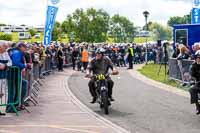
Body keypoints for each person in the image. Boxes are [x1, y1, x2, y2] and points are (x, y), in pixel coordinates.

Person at [189, 50, 200, 115]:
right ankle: (197, 106)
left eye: (199, 58)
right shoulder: (193, 65)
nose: (198, 59)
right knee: (192, 89)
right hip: (198, 83)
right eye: (197, 58)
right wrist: (193, 80)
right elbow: (192, 75)